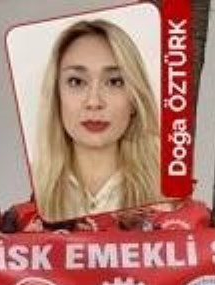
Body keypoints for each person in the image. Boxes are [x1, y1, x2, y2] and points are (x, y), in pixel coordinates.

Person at [32, 18, 160, 222]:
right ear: (56, 96)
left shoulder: (169, 198)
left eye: (114, 81)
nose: (94, 102)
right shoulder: (30, 198)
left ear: (135, 100)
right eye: (76, 81)